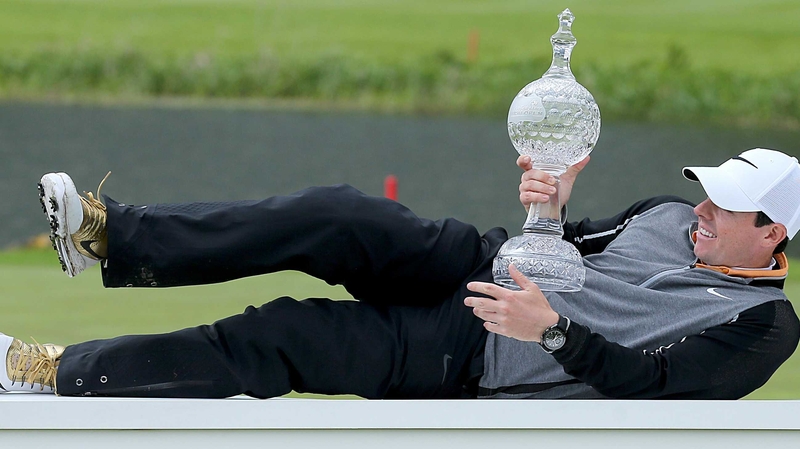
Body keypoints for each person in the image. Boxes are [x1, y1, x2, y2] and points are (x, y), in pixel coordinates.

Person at [2, 148, 798, 399]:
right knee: (338, 212)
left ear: (773, 233)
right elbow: (566, 250)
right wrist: (554, 206)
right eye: (708, 192)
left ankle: (56, 371)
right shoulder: (666, 212)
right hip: (476, 258)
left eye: (725, 205)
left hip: (474, 354)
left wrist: (549, 330)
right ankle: (114, 238)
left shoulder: (763, 326)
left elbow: (659, 387)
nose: (701, 207)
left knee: (281, 333)